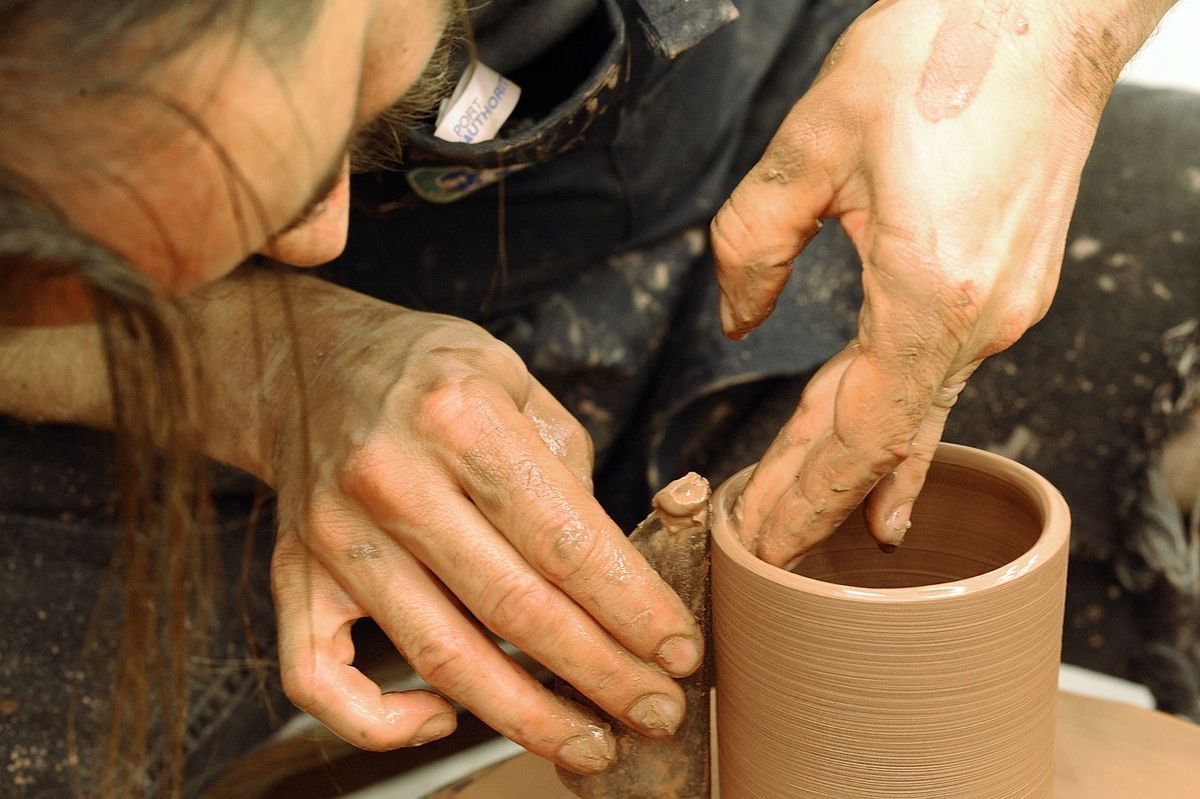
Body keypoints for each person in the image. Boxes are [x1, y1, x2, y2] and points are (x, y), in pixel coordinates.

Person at [0, 0, 1196, 796]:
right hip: (132, 351)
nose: (318, 230)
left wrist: (1034, 40)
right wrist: (257, 362)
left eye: (344, 109)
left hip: (749, 149)